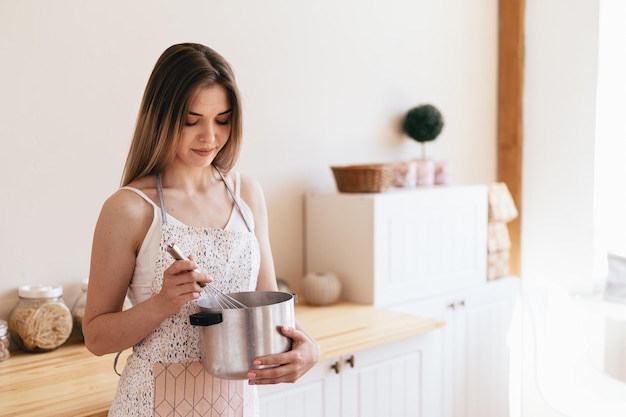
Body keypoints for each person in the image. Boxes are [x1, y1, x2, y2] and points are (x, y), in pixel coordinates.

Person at [83, 43, 320, 417]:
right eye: (192, 120)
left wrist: (309, 349)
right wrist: (163, 303)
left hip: (235, 405)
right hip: (150, 404)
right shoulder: (128, 209)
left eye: (222, 119)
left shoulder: (248, 195)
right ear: (162, 117)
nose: (209, 136)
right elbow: (96, 337)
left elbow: (270, 305)